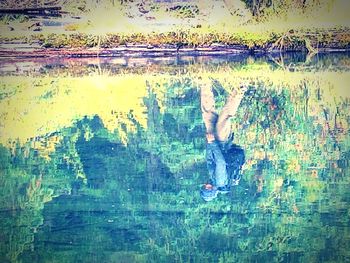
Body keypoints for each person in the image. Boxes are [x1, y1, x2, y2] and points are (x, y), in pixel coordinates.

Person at [200, 80, 246, 201]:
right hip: (221, 142)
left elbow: (211, 159)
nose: (206, 185)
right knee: (226, 115)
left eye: (205, 187)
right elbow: (220, 162)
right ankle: (241, 86)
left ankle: (204, 82)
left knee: (207, 113)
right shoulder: (219, 181)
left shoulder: (214, 179)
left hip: (215, 142)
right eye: (207, 188)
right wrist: (212, 143)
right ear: (212, 190)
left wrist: (210, 144)